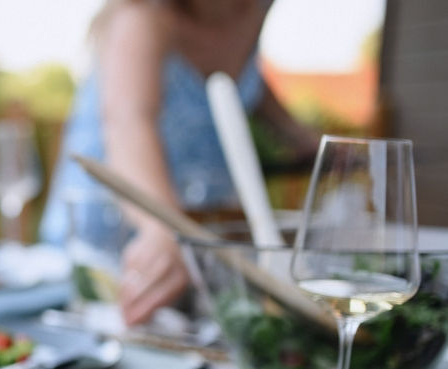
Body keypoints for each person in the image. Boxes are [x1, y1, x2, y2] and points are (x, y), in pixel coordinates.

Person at [40, 0, 319, 326]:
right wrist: (163, 226)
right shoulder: (144, 13)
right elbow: (130, 123)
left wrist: (305, 139)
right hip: (114, 232)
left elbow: (246, 81)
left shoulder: (254, 11)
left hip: (197, 228)